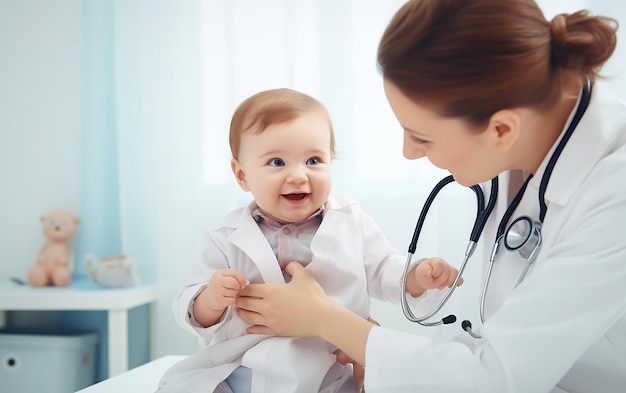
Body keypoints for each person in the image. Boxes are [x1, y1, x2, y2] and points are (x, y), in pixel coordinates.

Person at [234, 1, 626, 392]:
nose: (409, 151)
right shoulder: (521, 143)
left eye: (422, 137)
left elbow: (494, 376)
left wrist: (327, 321)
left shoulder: (614, 195)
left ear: (502, 130)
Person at [157, 88, 463, 393]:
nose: (299, 175)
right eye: (277, 162)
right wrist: (210, 299)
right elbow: (190, 305)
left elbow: (384, 269)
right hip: (242, 368)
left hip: (327, 367)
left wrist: (418, 275)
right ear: (242, 175)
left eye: (314, 160)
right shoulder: (223, 236)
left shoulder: (349, 219)